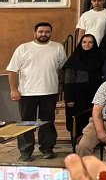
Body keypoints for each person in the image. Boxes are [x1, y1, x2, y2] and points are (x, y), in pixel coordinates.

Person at [6, 22, 67, 162]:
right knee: (26, 123)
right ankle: (26, 151)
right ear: (35, 33)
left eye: (47, 32)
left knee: (48, 122)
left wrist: (61, 85)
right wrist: (13, 89)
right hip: (27, 93)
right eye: (41, 31)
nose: (44, 34)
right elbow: (12, 70)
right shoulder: (23, 48)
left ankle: (47, 148)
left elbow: (63, 69)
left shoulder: (57, 47)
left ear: (50, 33)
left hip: (49, 91)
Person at [63, 34, 104, 138]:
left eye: (90, 42)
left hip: (95, 95)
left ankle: (92, 141)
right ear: (80, 44)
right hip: (78, 97)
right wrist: (69, 98)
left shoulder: (99, 58)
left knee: (94, 119)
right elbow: (68, 82)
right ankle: (77, 142)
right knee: (77, 122)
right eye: (84, 42)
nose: (87, 44)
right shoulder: (73, 60)